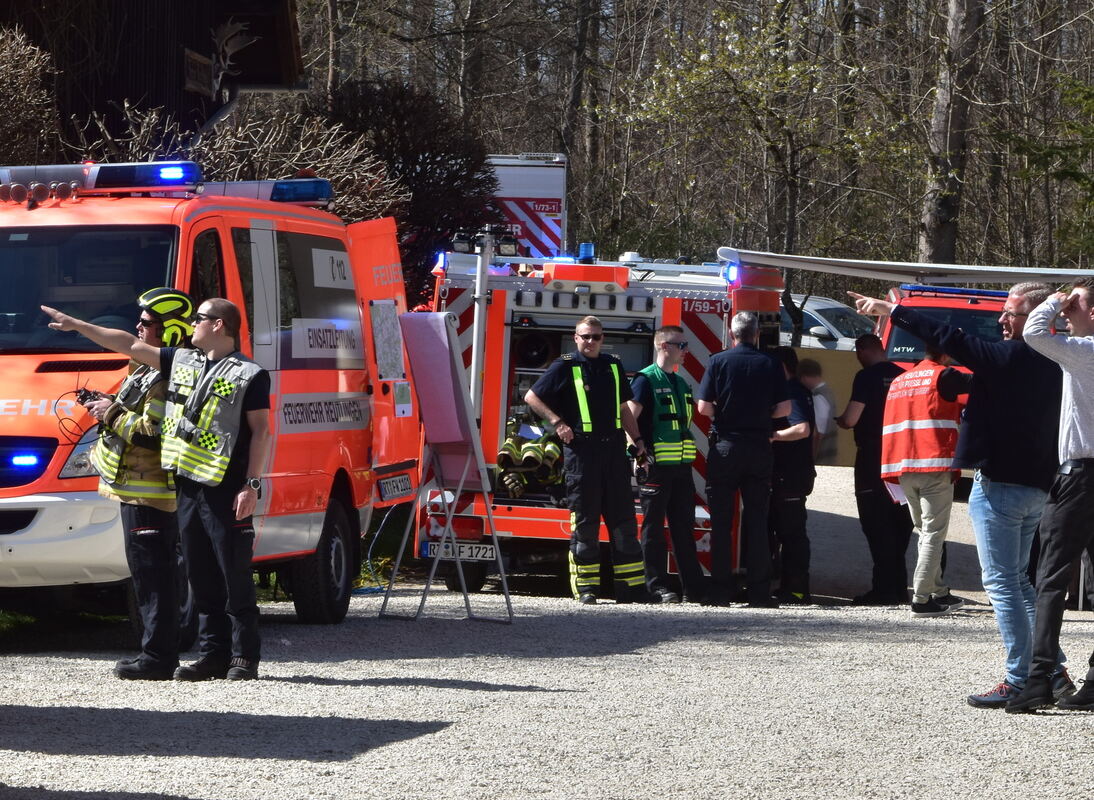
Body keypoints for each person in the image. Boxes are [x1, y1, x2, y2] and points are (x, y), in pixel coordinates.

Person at [850, 284, 1073, 709]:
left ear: (1037, 318)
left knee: (1003, 583)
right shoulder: (1058, 359)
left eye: (1011, 313)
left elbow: (949, 337)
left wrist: (894, 310)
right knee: (1020, 582)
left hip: (1001, 485)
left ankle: (1020, 678)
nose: (1001, 320)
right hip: (1037, 486)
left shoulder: (1010, 356)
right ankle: (1051, 669)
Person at [42, 297, 271, 681]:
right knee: (200, 575)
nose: (192, 324)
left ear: (218, 325)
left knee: (233, 572)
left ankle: (244, 656)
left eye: (199, 319)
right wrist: (77, 324)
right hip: (187, 484)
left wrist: (251, 484)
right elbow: (128, 344)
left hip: (226, 485)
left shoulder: (250, 374)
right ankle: (213, 655)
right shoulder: (184, 362)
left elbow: (261, 431)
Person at [83, 288, 194, 680]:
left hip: (151, 493)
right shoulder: (147, 367)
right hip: (135, 490)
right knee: (148, 576)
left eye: (146, 322)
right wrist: (109, 406)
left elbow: (154, 435)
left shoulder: (166, 376)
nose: (137, 327)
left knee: (153, 577)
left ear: (169, 330)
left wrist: (110, 412)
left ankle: (158, 658)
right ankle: (156, 653)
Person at [1006, 279, 1094, 713]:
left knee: (1051, 578)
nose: (1068, 311)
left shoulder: (1086, 351)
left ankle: (1039, 678)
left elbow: (1034, 333)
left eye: (1077, 304)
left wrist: (1055, 301)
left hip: (1080, 476)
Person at [525, 316, 648, 604]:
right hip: (582, 454)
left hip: (614, 453)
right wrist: (558, 423)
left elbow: (624, 408)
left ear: (603, 339)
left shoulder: (613, 365)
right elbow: (531, 396)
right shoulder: (565, 365)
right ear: (576, 338)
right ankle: (587, 589)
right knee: (585, 525)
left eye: (596, 336)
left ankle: (631, 589)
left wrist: (638, 441)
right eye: (586, 336)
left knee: (624, 523)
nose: (591, 341)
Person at [697, 312, 789, 607]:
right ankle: (759, 593)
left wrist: (724, 415)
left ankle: (720, 592)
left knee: (721, 522)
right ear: (757, 333)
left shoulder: (718, 361)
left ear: (732, 332)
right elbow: (785, 408)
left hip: (726, 447)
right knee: (758, 521)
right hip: (759, 447)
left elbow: (703, 408)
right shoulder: (771, 363)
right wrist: (762, 416)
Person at [879, 343, 968, 617]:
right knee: (933, 533)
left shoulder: (901, 380)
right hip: (933, 464)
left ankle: (938, 591)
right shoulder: (944, 375)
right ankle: (920, 598)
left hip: (903, 465)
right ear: (945, 353)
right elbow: (980, 384)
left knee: (924, 531)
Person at [627, 325, 704, 604]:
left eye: (686, 345)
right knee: (653, 529)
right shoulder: (645, 380)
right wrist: (638, 455)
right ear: (663, 346)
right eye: (681, 345)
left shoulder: (680, 383)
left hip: (681, 468)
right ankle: (657, 587)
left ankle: (693, 589)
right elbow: (628, 418)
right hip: (655, 467)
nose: (686, 350)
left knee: (684, 528)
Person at [836, 334, 913, 605]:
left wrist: (840, 421)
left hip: (873, 459)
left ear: (862, 350)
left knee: (876, 524)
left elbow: (851, 418)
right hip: (903, 459)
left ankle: (883, 590)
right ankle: (899, 587)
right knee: (901, 522)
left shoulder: (865, 377)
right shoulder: (904, 376)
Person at [768, 346, 816, 605]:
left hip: (789, 474)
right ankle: (790, 587)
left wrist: (773, 436)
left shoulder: (791, 392)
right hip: (796, 472)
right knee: (790, 532)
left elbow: (802, 429)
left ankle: (796, 590)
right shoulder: (799, 389)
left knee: (791, 533)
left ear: (781, 367)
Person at [798, 358, 837, 464]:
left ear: (804, 377)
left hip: (820, 459)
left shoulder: (817, 397)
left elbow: (817, 434)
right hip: (827, 457)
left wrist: (811, 462)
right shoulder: (828, 392)